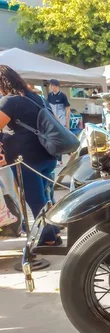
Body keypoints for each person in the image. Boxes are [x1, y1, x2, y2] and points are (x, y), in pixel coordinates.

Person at [0, 65, 60, 245]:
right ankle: (54, 231)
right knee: (47, 196)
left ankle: (48, 238)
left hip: (26, 158)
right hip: (47, 153)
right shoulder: (36, 97)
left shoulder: (8, 102)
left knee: (35, 199)